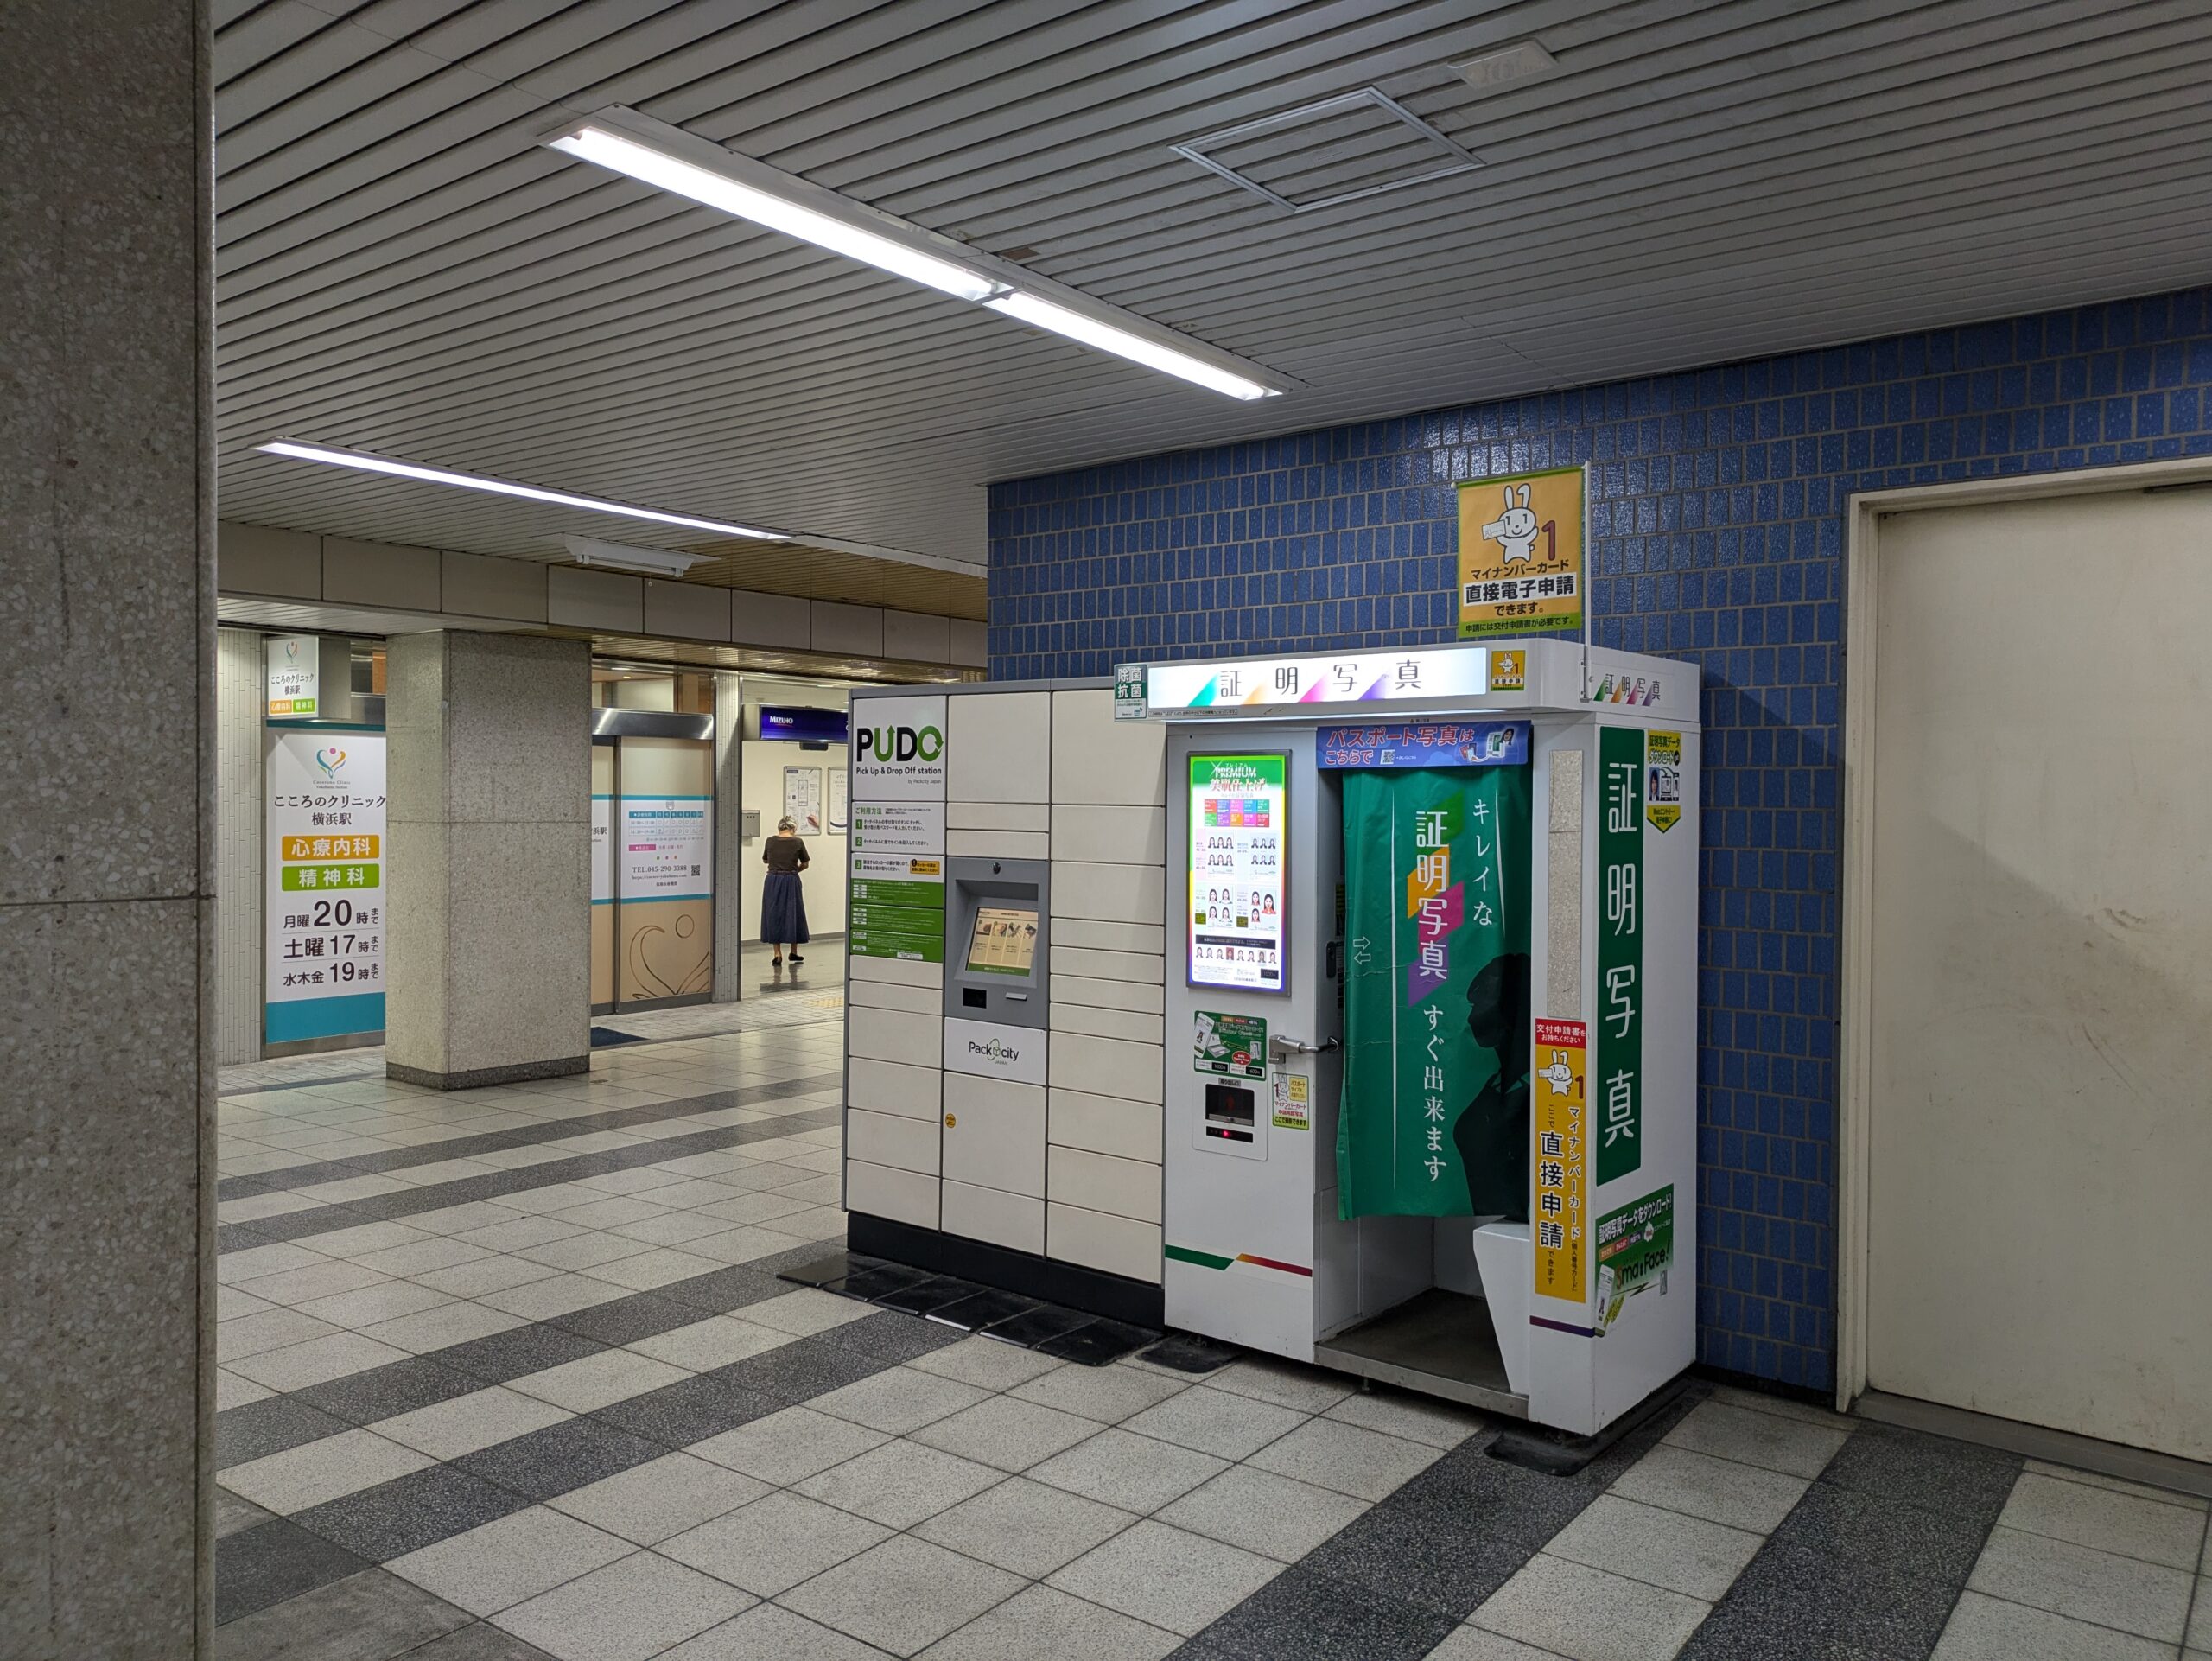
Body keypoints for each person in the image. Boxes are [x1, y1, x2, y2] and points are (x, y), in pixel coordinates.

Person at [760, 816, 810, 967]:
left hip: (772, 880)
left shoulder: (770, 841)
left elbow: (765, 860)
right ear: (793, 828)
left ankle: (777, 954)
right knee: (794, 913)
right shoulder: (798, 842)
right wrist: (794, 870)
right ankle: (793, 951)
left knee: (773, 914)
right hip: (791, 879)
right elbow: (806, 864)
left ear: (780, 828)